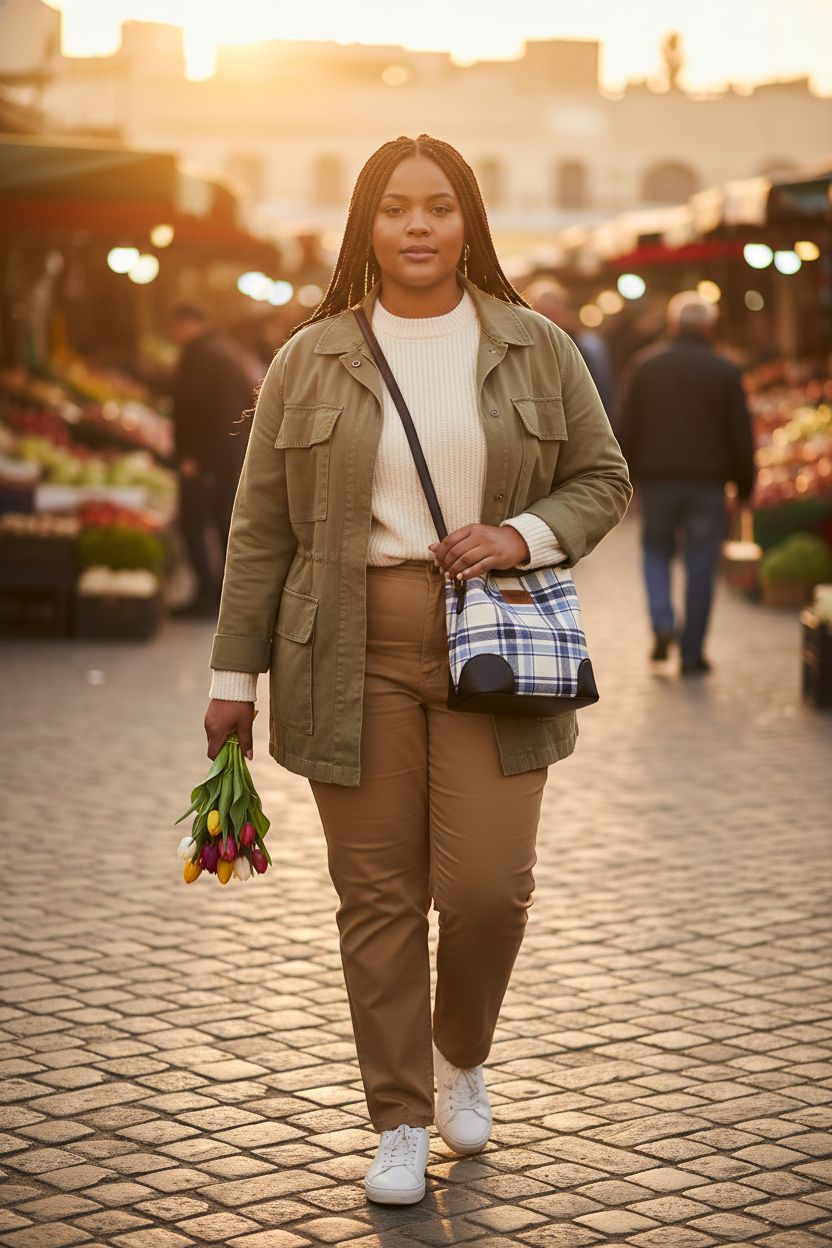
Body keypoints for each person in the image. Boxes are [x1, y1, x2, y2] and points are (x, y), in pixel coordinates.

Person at [203, 134, 631, 1206]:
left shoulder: (535, 345)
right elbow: (259, 529)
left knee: (488, 889)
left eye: (439, 206)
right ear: (369, 224)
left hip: (497, 644)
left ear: (468, 220)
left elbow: (602, 477)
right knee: (377, 897)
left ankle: (459, 1051)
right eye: (395, 207)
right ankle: (396, 1117)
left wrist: (521, 533)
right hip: (345, 648)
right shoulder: (312, 356)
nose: (418, 226)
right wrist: (232, 678)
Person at [614, 291, 755, 674]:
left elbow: (624, 427)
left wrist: (624, 480)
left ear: (673, 324)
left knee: (656, 552)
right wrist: (745, 486)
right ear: (709, 326)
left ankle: (662, 621)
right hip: (707, 483)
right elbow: (741, 434)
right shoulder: (725, 369)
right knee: (701, 563)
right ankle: (692, 652)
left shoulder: (646, 365)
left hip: (657, 480)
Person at [169, 302, 253, 614]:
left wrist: (192, 455)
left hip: (207, 457)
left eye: (175, 326)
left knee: (193, 523)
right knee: (221, 522)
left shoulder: (202, 355)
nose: (173, 333)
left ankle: (208, 593)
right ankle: (224, 593)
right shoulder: (225, 350)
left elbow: (193, 408)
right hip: (228, 453)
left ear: (188, 323)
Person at [524, 277, 616, 414]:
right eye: (544, 314)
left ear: (564, 311)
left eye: (554, 313)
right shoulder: (522, 352)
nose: (550, 321)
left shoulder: (586, 347)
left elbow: (602, 394)